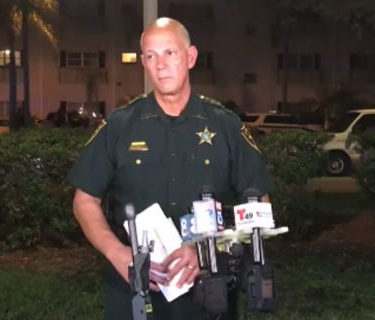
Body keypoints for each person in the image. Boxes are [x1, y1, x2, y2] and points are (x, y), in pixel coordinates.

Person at [69, 17, 272, 320]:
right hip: (135, 291)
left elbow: (260, 207)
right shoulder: (119, 126)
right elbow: (84, 201)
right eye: (151, 56)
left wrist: (208, 250)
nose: (160, 64)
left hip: (209, 290)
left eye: (169, 53)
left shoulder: (225, 125)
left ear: (190, 57)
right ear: (143, 63)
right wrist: (118, 253)